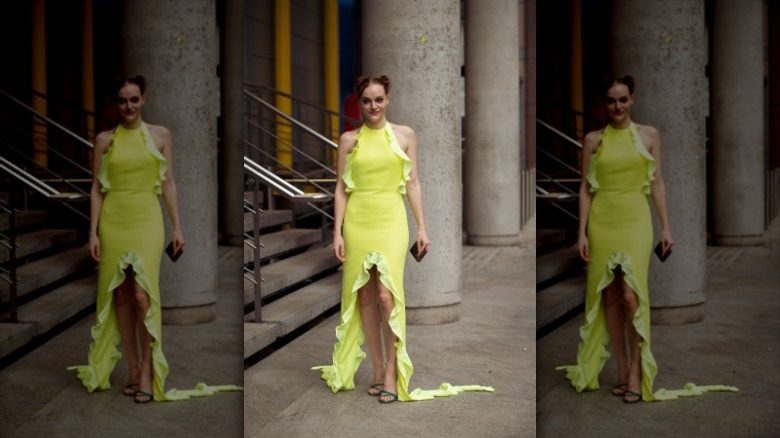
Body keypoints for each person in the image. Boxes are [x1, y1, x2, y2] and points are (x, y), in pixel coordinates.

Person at [312, 75, 492, 403]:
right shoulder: (349, 140)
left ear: (388, 100)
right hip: (358, 223)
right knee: (363, 297)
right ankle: (379, 370)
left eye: (378, 99)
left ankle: (393, 373)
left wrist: (422, 227)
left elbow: (413, 183)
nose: (373, 106)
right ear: (359, 103)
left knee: (386, 297)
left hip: (392, 222)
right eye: (366, 100)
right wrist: (336, 231)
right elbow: (340, 188)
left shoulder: (405, 135)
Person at [557, 75, 736, 402]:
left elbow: (657, 183)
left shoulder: (650, 135)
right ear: (604, 103)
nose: (617, 106)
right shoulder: (595, 140)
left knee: (630, 295)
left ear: (632, 100)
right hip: (602, 220)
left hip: (636, 220)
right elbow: (585, 189)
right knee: (608, 296)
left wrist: (666, 227)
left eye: (623, 99)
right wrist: (581, 231)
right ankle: (623, 370)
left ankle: (638, 373)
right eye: (611, 100)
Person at [69, 75, 184, 403]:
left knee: (141, 294)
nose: (128, 106)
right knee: (118, 295)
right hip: (113, 221)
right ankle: (133, 370)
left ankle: (148, 371)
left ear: (143, 99)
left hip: (147, 219)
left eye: (134, 99)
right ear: (115, 104)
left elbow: (169, 182)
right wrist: (92, 232)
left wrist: (177, 227)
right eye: (122, 100)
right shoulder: (104, 140)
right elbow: (96, 188)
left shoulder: (161, 135)